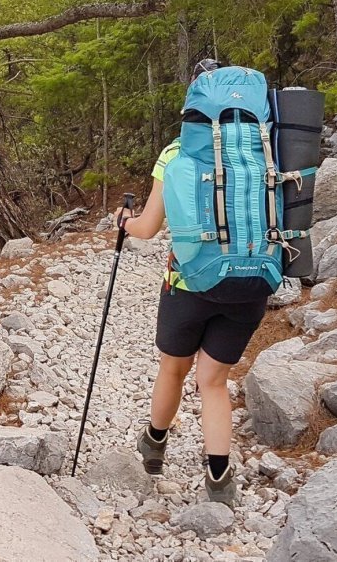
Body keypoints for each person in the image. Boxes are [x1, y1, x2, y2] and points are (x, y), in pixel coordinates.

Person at [113, 135, 273, 505]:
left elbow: (147, 228)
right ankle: (218, 479)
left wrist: (124, 220)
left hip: (189, 285)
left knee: (173, 369)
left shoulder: (176, 152)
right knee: (214, 382)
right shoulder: (265, 146)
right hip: (250, 284)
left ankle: (154, 443)